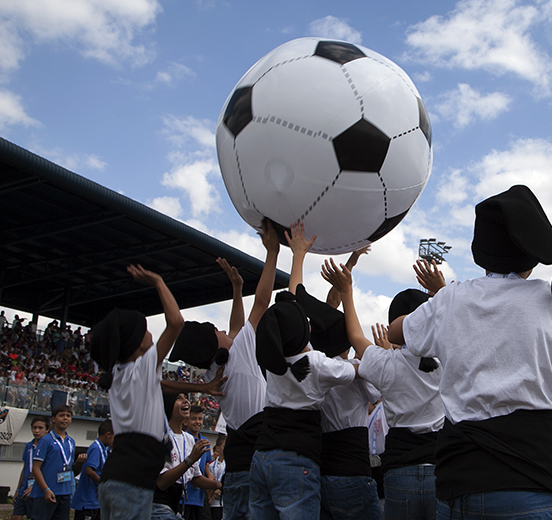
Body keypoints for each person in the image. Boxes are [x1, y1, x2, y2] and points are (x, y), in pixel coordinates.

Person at [386, 185, 552, 519]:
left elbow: (395, 332)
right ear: (532, 252)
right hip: (530, 484)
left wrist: (438, 305)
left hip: (457, 486)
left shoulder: (452, 300)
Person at [166, 219, 280, 520]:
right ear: (217, 343)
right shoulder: (239, 350)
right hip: (260, 457)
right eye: (216, 330)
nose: (224, 329)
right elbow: (264, 301)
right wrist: (272, 253)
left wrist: (236, 288)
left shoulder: (213, 373)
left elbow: (235, 327)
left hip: (237, 466)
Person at [249, 221, 358, 519]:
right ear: (302, 332)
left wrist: (298, 256)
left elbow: (292, 307)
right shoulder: (320, 365)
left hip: (261, 457)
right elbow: (361, 368)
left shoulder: (271, 359)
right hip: (295, 461)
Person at [322, 262, 445, 520]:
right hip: (440, 467)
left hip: (399, 471)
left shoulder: (388, 363)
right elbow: (460, 327)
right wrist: (441, 294)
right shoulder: (446, 358)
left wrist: (347, 292)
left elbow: (355, 336)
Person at [290, 236, 381, 520]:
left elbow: (310, 307)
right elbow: (380, 393)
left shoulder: (314, 365)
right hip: (352, 474)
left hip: (322, 474)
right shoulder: (354, 369)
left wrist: (299, 256)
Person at [90, 264, 185, 520]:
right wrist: (159, 282)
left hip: (115, 479)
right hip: (132, 484)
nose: (149, 333)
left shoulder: (119, 375)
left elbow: (162, 386)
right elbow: (176, 322)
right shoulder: (141, 368)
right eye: (144, 329)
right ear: (134, 342)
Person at [153, 393, 221, 520]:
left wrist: (218, 485)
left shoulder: (189, 439)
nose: (186, 401)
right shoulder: (161, 437)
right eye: (179, 398)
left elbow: (195, 478)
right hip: (159, 503)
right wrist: (190, 460)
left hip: (178, 504)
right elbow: (162, 483)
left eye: (186, 398)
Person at [30, 405, 77, 520]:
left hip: (64, 492)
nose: (65, 418)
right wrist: (46, 489)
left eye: (68, 416)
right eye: (61, 415)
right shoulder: (46, 440)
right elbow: (35, 468)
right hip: (46, 493)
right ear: (54, 419)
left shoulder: (71, 441)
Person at [72, 419, 114, 520]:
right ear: (108, 435)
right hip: (87, 501)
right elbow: (89, 470)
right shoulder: (96, 448)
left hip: (96, 501)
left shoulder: (104, 449)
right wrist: (103, 483)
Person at [11, 416, 49, 520]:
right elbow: (25, 468)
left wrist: (35, 486)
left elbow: (47, 471)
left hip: (38, 491)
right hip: (24, 489)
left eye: (40, 428)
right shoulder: (29, 446)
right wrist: (18, 489)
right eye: (34, 428)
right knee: (15, 516)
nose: (36, 431)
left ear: (47, 429)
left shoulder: (49, 446)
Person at [183, 405, 214, 520]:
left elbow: (206, 465)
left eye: (200, 419)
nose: (197, 422)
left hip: (201, 497)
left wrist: (210, 476)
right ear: (186, 421)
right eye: (194, 418)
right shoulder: (183, 439)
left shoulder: (205, 442)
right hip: (186, 496)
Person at [207, 436, 227, 520]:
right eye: (223, 446)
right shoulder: (212, 465)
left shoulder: (229, 464)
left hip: (224, 502)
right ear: (218, 448)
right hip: (213, 503)